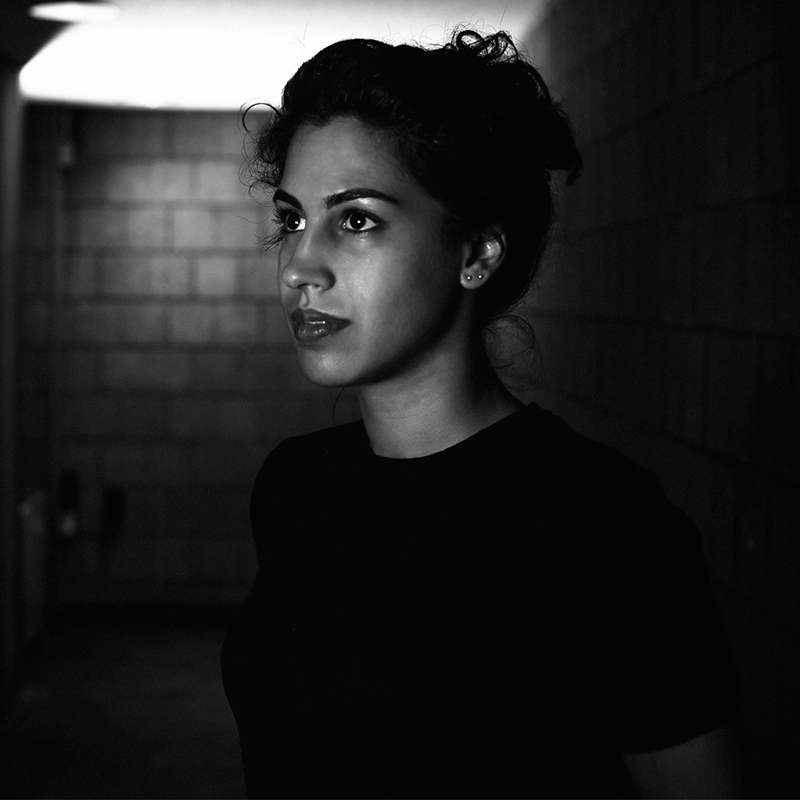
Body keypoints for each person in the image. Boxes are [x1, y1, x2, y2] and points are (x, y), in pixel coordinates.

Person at [221, 29, 741, 799]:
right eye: (293, 219)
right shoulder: (298, 488)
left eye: (357, 219)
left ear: (477, 252)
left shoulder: (605, 528)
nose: (300, 264)